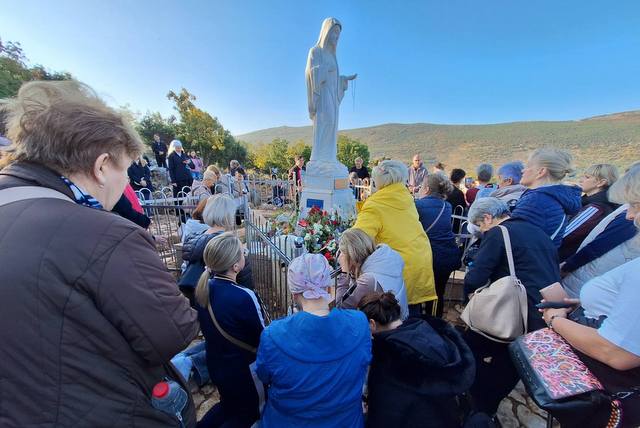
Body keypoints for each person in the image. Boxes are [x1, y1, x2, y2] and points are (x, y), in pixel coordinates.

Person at [0, 80, 198, 426]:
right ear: (102, 166)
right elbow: (173, 332)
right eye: (125, 169)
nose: (127, 182)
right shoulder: (105, 235)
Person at [540, 168, 640, 427]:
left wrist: (555, 320)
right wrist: (589, 303)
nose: (629, 215)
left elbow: (617, 352)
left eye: (635, 205)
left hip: (609, 391)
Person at [463, 197, 561, 418]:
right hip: (542, 313)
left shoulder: (498, 233)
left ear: (487, 218)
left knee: (471, 347)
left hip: (512, 311)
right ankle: (488, 409)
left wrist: (470, 299)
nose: (481, 231)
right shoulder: (538, 232)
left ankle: (476, 404)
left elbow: (476, 276)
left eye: (479, 226)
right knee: (510, 363)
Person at [256, 254, 371, 428]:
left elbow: (264, 374)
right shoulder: (359, 323)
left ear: (294, 294)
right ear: (329, 288)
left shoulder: (273, 335)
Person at [358, 292, 476, 428]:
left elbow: (385, 414)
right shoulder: (428, 329)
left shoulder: (388, 359)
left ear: (372, 324)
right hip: (448, 416)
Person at [195, 232, 265, 428]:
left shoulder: (203, 288)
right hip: (243, 370)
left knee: (228, 405)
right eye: (242, 252)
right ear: (235, 266)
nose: (245, 254)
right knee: (247, 414)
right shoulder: (244, 295)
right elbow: (262, 337)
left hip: (216, 363)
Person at [353, 159, 438, 316]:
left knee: (393, 315)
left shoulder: (376, 204)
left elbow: (357, 238)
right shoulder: (406, 198)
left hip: (397, 266)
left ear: (379, 180)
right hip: (419, 260)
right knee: (411, 311)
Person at [180, 194, 253, 305]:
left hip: (199, 301)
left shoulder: (194, 238)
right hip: (226, 303)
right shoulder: (229, 243)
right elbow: (244, 279)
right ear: (229, 215)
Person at [511, 148, 582, 247]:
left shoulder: (535, 201)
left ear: (541, 171)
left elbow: (511, 238)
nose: (523, 171)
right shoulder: (556, 197)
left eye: (528, 166)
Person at [335, 228, 409, 319]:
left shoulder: (369, 280)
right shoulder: (385, 259)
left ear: (351, 255)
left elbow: (340, 309)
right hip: (400, 319)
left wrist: (344, 272)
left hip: (386, 325)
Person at [415, 172, 461, 317]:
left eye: (421, 187)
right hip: (446, 255)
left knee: (427, 294)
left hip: (432, 256)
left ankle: (428, 323)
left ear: (427, 189)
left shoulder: (417, 205)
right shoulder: (446, 206)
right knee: (437, 293)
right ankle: (434, 322)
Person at [559, 163, 620, 261]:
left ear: (601, 182)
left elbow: (565, 235)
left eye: (587, 177)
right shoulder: (592, 202)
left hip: (561, 257)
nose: (581, 180)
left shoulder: (596, 208)